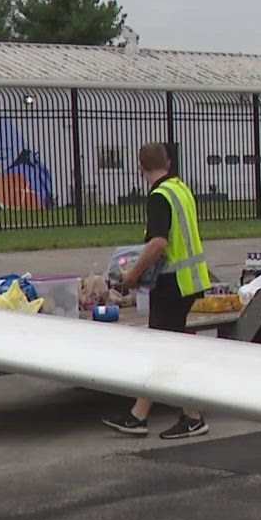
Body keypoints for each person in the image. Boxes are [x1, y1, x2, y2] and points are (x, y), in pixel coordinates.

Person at [101, 142, 214, 439]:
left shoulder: (159, 196)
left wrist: (132, 277)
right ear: (169, 164)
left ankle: (172, 417)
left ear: (140, 168)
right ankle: (161, 415)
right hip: (190, 281)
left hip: (171, 284)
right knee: (167, 351)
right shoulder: (181, 189)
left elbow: (158, 243)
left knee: (161, 351)